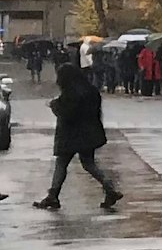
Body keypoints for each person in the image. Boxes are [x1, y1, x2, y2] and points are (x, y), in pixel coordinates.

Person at [31, 64, 122, 211]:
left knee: (61, 164)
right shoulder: (91, 90)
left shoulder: (70, 94)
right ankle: (109, 188)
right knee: (89, 164)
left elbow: (67, 114)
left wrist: (54, 105)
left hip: (70, 135)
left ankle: (53, 195)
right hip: (89, 134)